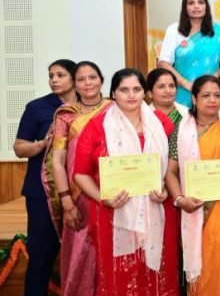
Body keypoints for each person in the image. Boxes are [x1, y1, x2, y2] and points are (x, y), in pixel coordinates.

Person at [73, 68, 180, 296]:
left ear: (145, 92)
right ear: (113, 93)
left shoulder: (162, 123)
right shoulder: (96, 126)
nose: (131, 95)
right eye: (124, 90)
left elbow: (172, 166)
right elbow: (80, 174)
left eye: (136, 89)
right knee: (120, 274)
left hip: (158, 209)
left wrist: (166, 191)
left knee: (160, 274)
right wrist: (104, 198)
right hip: (113, 213)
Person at [164, 75, 220, 295]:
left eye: (216, 95)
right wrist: (180, 199)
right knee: (205, 268)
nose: (212, 100)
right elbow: (170, 172)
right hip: (196, 209)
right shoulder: (181, 131)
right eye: (206, 95)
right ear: (194, 99)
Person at [41, 61, 112, 296]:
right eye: (81, 79)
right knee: (81, 255)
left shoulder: (115, 109)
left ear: (101, 80)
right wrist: (67, 203)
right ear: (75, 84)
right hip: (78, 196)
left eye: (92, 77)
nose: (88, 83)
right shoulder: (66, 115)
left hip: (112, 194)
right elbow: (58, 161)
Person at [14, 59, 76, 296]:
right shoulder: (37, 108)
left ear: (74, 78)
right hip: (42, 193)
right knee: (41, 254)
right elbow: (20, 148)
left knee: (82, 254)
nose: (54, 80)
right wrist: (43, 143)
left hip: (80, 191)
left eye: (60, 75)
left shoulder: (86, 106)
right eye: (51, 76)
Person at [158, 0, 220, 107]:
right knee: (180, 119)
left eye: (201, 2)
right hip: (182, 93)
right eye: (191, 3)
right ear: (185, 7)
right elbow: (163, 63)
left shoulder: (217, 31)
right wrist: (188, 85)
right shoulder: (174, 30)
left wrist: (207, 85)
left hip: (211, 92)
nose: (196, 6)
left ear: (206, 6)